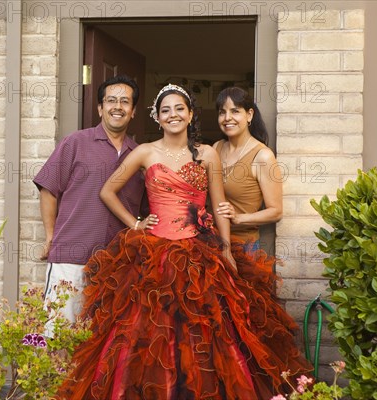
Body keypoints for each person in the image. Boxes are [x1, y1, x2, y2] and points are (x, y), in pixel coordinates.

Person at [57, 84, 311, 399]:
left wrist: (227, 248)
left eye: (179, 108)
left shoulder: (207, 154)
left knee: (208, 334)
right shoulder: (144, 152)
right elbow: (107, 191)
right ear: (157, 118)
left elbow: (218, 207)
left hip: (199, 253)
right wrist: (135, 224)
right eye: (166, 110)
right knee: (142, 332)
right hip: (153, 253)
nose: (173, 115)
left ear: (190, 114)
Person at [33, 75, 146, 322]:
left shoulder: (140, 155)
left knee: (102, 341)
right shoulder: (75, 142)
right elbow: (48, 189)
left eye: (125, 102)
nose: (118, 107)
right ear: (100, 107)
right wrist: (51, 237)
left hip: (117, 264)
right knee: (59, 334)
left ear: (133, 111)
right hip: (71, 256)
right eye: (111, 101)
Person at [213, 86, 282, 251]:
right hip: (213, 242)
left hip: (244, 246)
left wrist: (239, 218)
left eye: (235, 111)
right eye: (222, 112)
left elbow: (276, 211)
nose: (227, 118)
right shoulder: (217, 147)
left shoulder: (262, 156)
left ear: (249, 115)